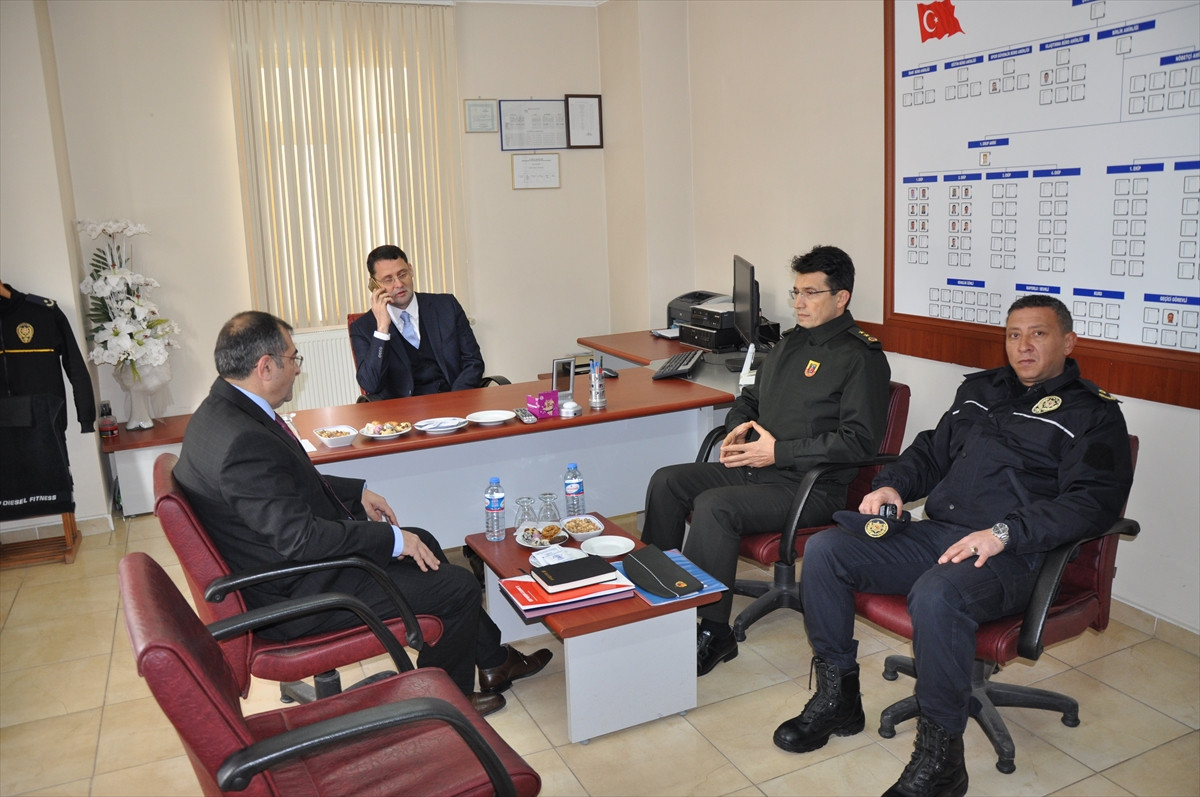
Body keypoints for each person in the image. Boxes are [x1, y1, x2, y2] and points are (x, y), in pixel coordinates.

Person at [775, 295, 1133, 797]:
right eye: (1014, 335)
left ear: (1068, 342)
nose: (1023, 346)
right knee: (827, 552)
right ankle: (839, 700)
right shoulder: (981, 390)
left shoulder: (1093, 415)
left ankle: (942, 757)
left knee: (938, 594)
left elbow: (1090, 503)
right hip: (942, 534)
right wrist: (893, 486)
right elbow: (930, 451)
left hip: (1016, 554)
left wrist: (1005, 532)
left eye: (1038, 334)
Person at [174, 311, 549, 716]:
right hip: (296, 595)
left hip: (281, 569)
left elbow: (282, 483)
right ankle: (446, 706)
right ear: (265, 367)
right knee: (457, 587)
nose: (298, 369)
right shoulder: (243, 442)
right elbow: (301, 539)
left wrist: (357, 493)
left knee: (424, 541)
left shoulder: (217, 413)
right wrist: (391, 539)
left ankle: (492, 662)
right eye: (293, 358)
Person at [640, 245, 892, 676]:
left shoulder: (861, 358)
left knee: (715, 506)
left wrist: (778, 451)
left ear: (841, 297)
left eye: (811, 293)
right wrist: (739, 425)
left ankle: (713, 632)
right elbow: (749, 398)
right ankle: (658, 598)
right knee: (667, 481)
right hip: (760, 469)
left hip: (811, 488)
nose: (799, 303)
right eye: (797, 292)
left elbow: (858, 442)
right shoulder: (790, 343)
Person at [349, 245, 485, 399]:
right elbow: (371, 384)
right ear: (374, 285)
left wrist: (455, 399)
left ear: (411, 270)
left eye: (402, 274)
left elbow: (473, 362)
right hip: (403, 410)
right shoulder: (363, 327)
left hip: (453, 400)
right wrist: (382, 329)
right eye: (388, 279)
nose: (399, 284)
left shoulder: (446, 306)